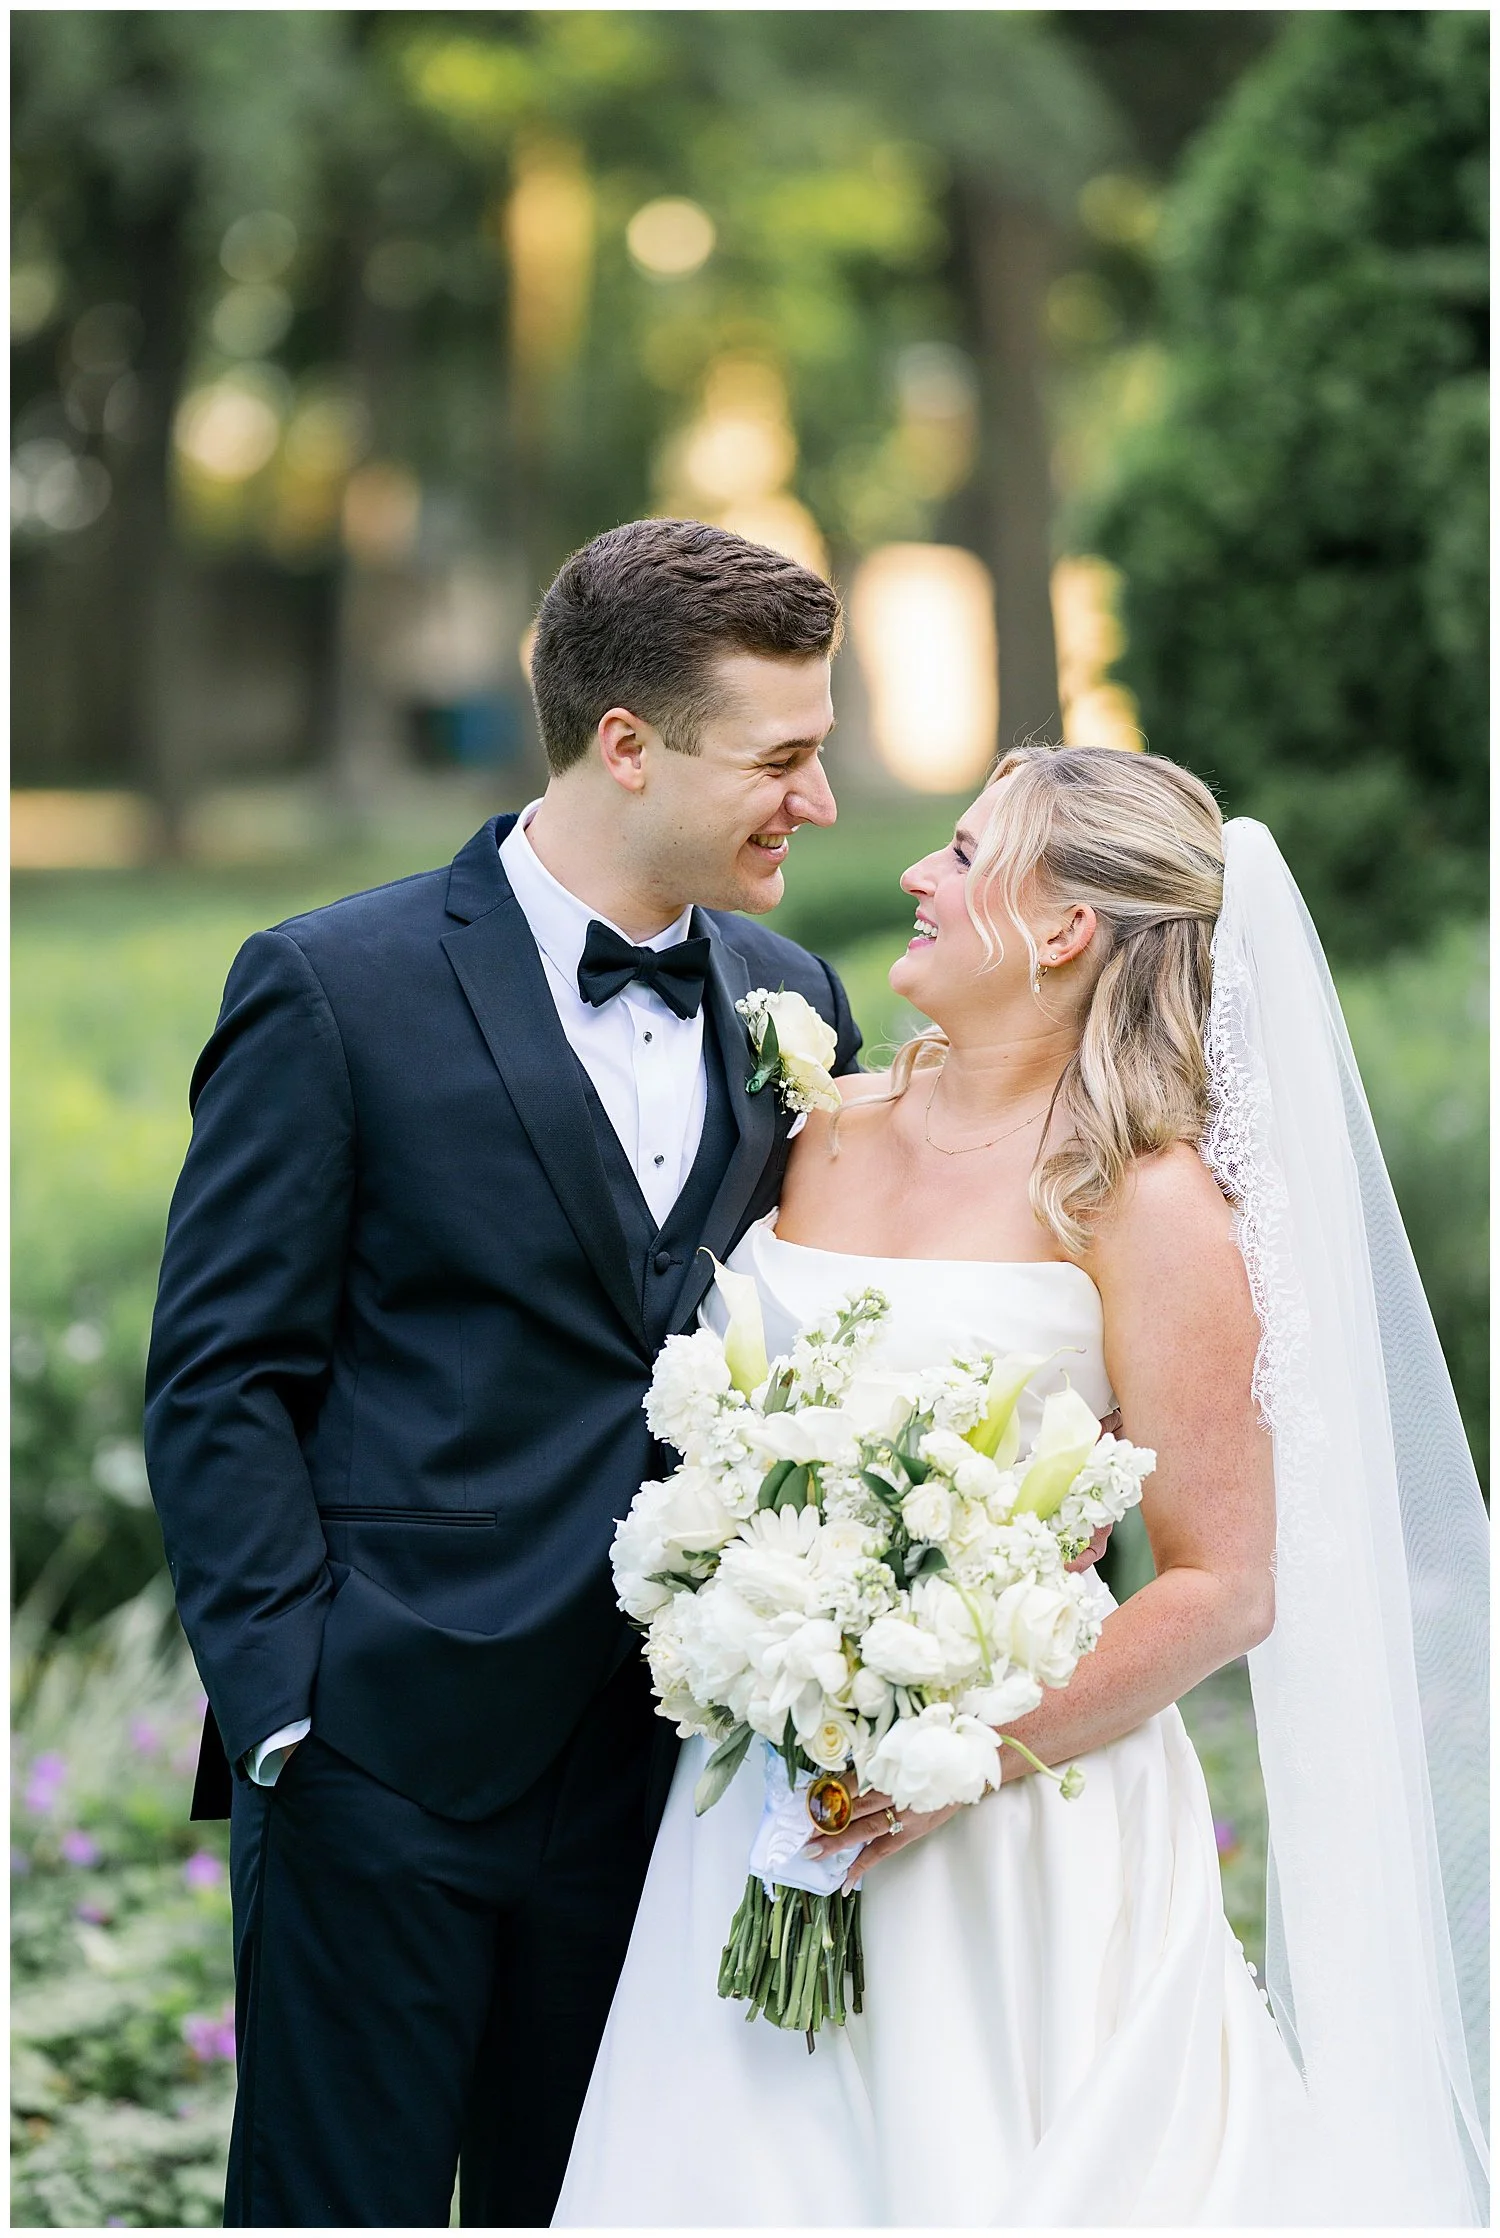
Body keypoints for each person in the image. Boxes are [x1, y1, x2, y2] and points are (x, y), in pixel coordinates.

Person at [556, 744, 1489, 2227]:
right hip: (756, 1794)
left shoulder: (1146, 1200)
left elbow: (1224, 1580)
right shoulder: (824, 1125)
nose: (916, 875)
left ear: (1063, 928)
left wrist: (950, 1758)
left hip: (1009, 1830)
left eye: (965, 852)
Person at [143, 519, 870, 2227]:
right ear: (627, 745)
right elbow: (218, 1371)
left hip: (664, 1776)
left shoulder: (793, 995)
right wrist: (292, 1714)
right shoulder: (333, 986)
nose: (816, 801)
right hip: (381, 1759)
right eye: (781, 756)